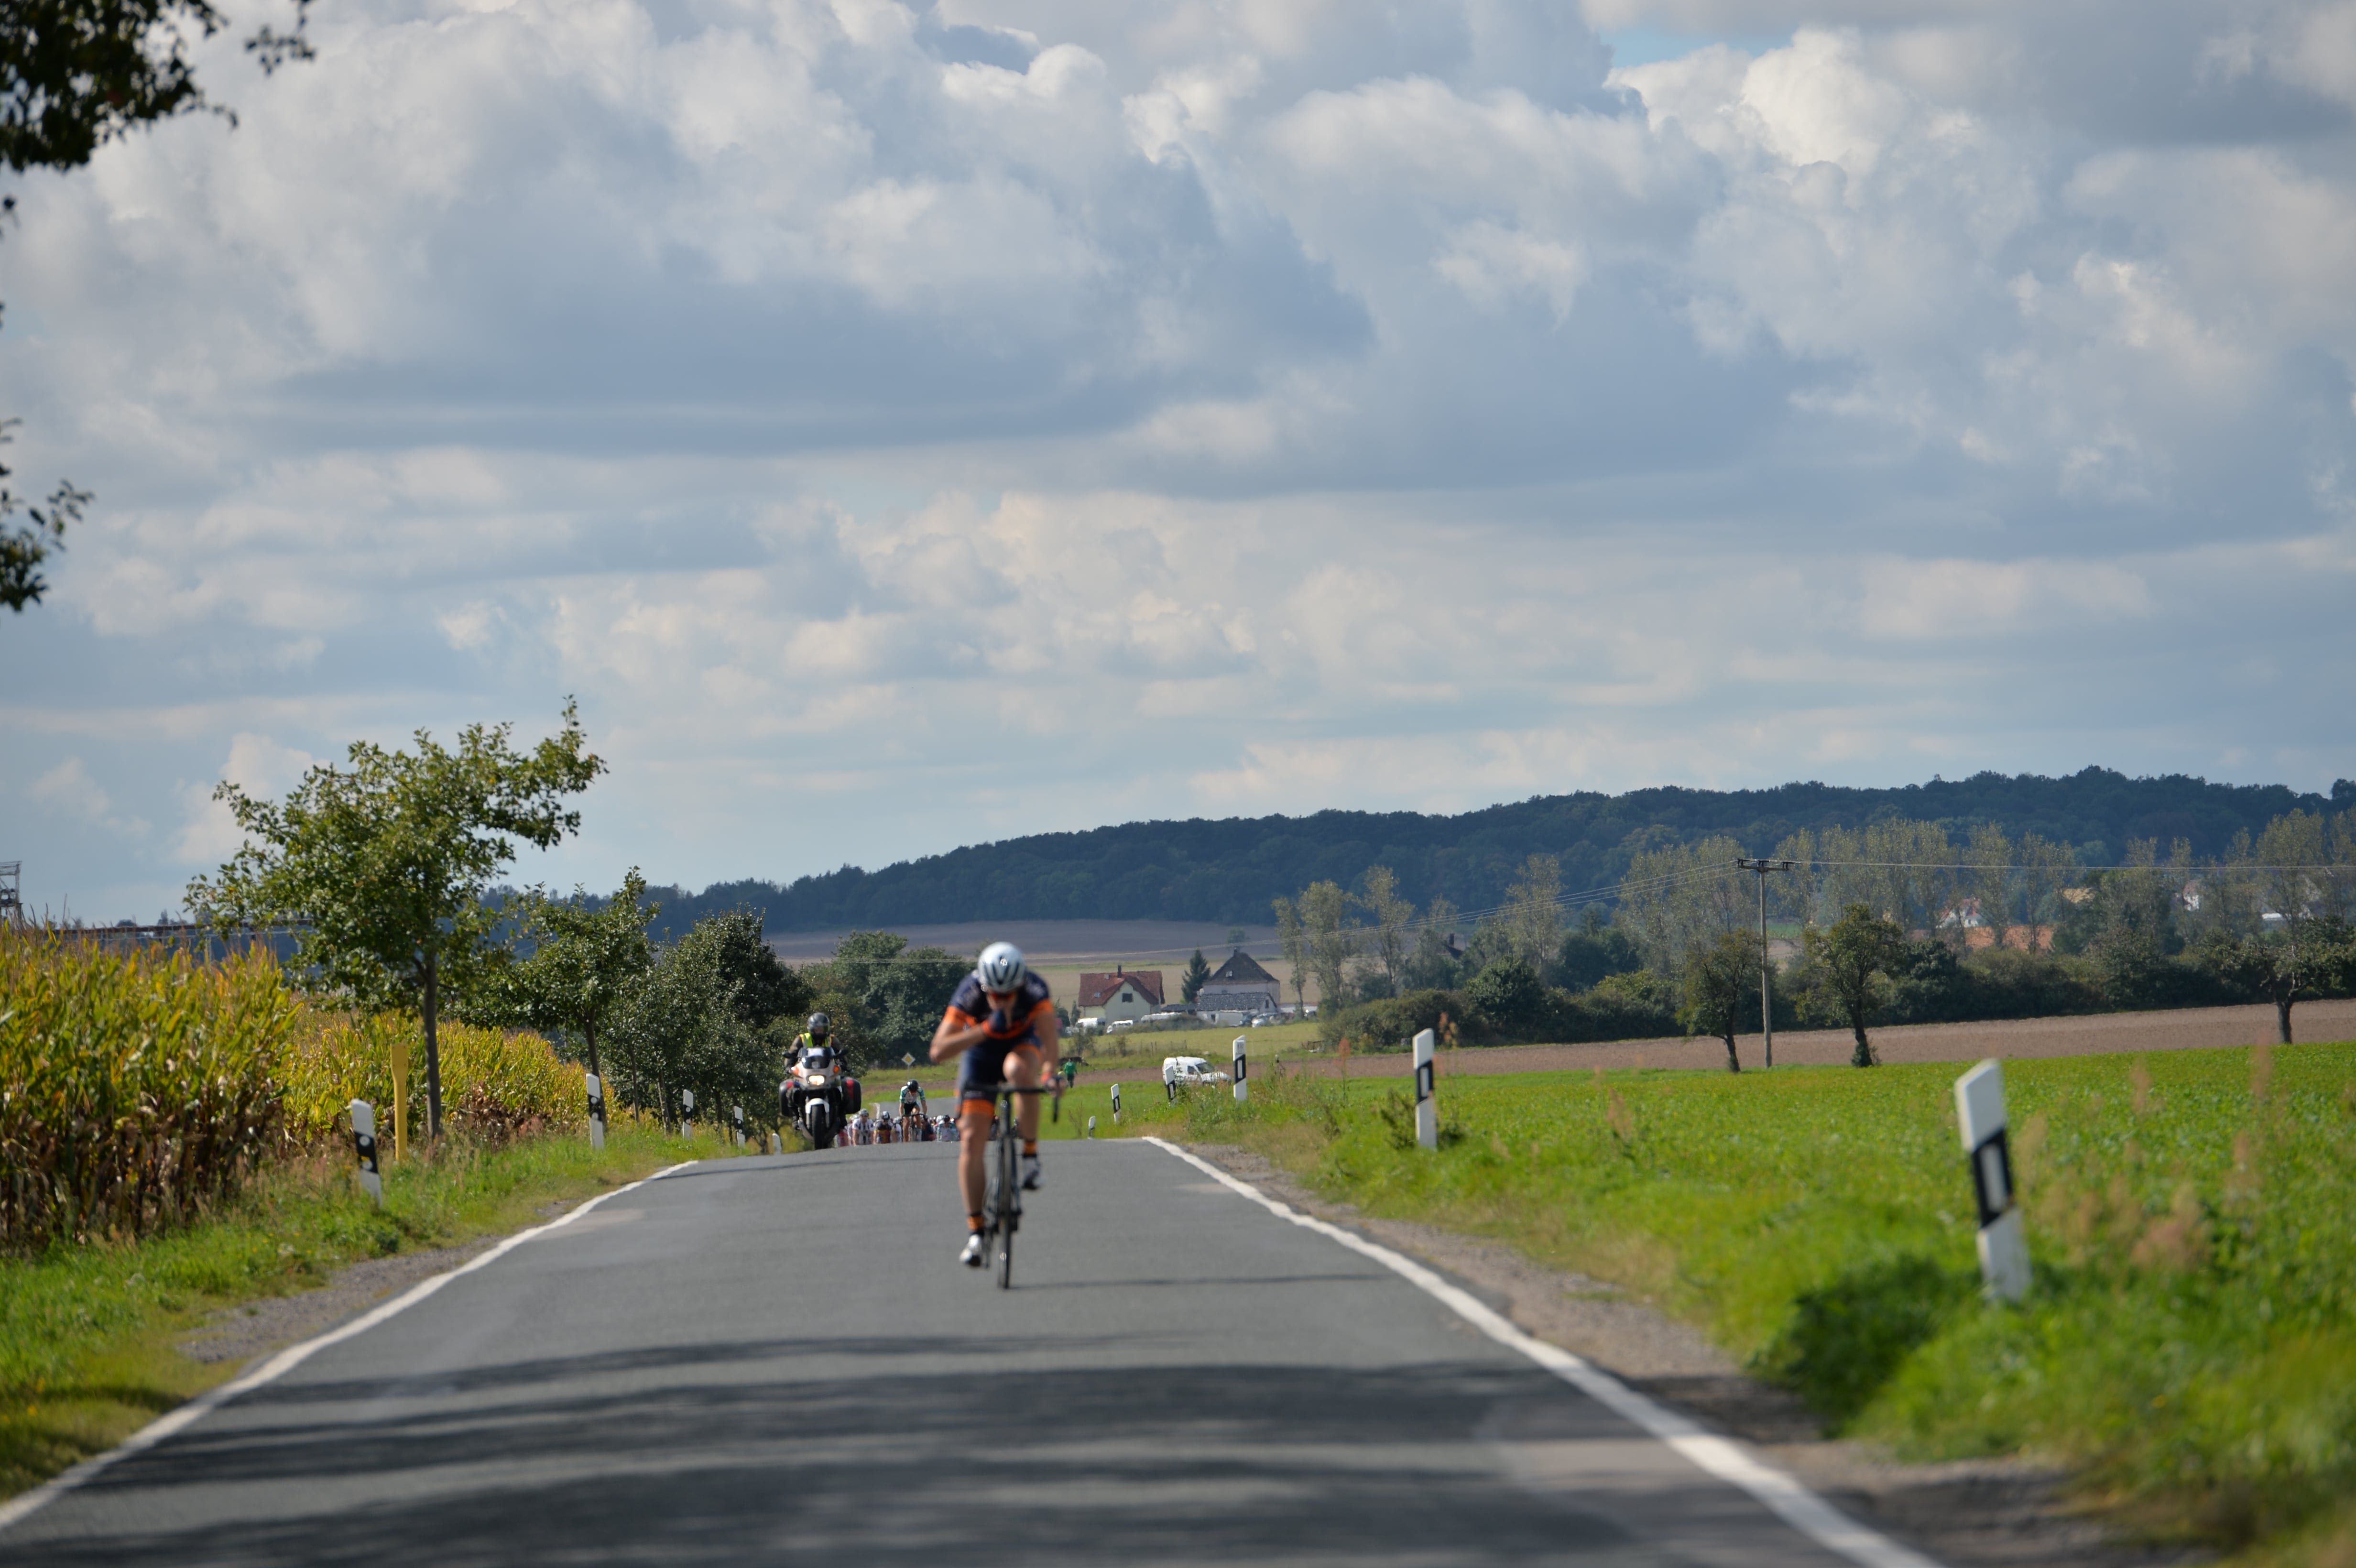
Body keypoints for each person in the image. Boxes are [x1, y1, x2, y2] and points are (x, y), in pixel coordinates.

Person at [930, 940, 1058, 1267]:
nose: (1001, 1001)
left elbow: (1048, 1038)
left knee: (1018, 1071)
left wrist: (1051, 1075)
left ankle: (1030, 1157)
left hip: (1022, 1045)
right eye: (994, 995)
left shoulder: (1034, 989)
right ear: (984, 986)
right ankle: (976, 1232)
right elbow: (939, 1051)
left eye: (1008, 995)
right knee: (972, 1140)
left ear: (1019, 986)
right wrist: (985, 1029)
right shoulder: (970, 992)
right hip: (981, 1052)